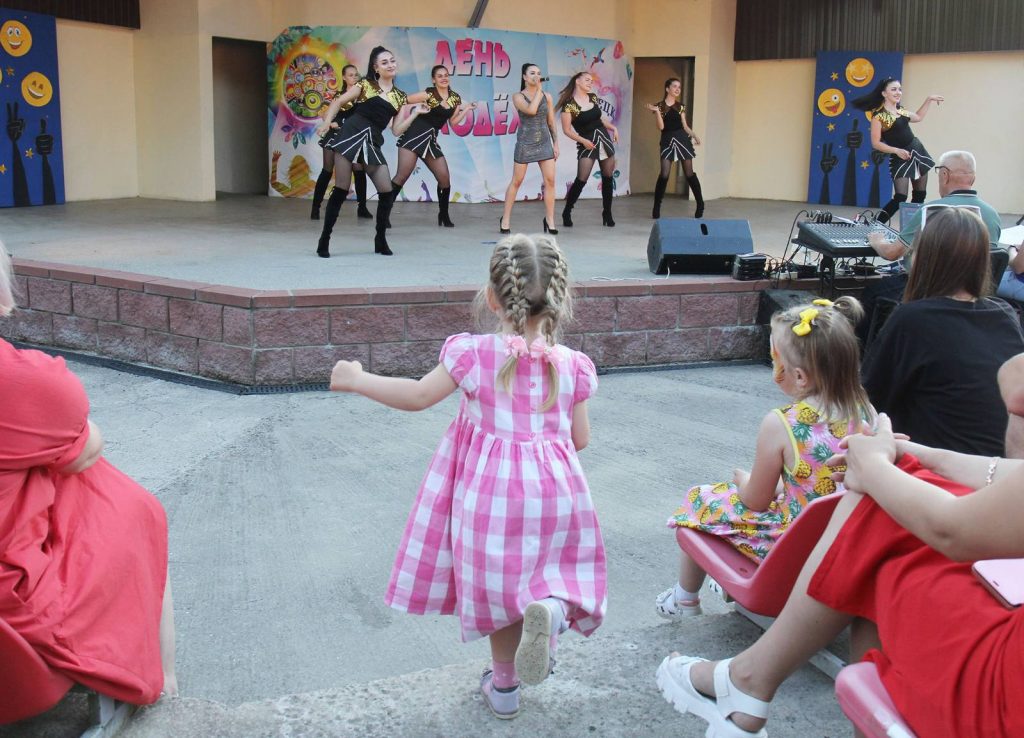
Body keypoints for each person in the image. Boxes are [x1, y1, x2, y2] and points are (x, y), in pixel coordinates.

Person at [329, 234, 605, 720]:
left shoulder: (474, 355)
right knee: (551, 575)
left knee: (502, 590)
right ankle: (555, 614)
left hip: (492, 498)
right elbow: (579, 439)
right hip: (556, 497)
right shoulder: (571, 366)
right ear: (559, 299)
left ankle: (504, 688)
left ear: (493, 298)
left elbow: (418, 396)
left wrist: (357, 379)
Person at [654, 392, 1024, 738]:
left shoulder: (779, 422)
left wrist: (875, 468)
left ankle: (748, 678)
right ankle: (750, 679)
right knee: (896, 491)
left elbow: (953, 530)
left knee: (878, 511)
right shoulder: (861, 409)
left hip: (1005, 694)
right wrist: (918, 457)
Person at [0, 247, 177, 718]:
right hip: (15, 626)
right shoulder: (25, 382)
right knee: (132, 506)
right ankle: (165, 687)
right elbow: (86, 448)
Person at [656, 297, 873, 618]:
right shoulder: (865, 410)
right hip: (846, 543)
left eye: (775, 359)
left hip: (791, 550)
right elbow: (822, 482)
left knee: (701, 499)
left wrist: (744, 480)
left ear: (800, 377)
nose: (774, 366)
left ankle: (684, 599)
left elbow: (754, 501)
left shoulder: (782, 423)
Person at [862, 207, 1024, 457]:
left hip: (936, 470)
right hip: (1000, 469)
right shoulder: (1005, 314)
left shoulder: (911, 319)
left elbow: (869, 402)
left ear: (923, 258)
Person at [861, 150, 1004, 331]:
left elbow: (892, 253)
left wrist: (877, 240)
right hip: (973, 294)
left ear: (944, 175)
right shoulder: (992, 214)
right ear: (973, 179)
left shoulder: (931, 210)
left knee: (871, 293)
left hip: (929, 291)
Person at [314, 46, 428, 257]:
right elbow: (339, 101)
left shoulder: (399, 97)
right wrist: (327, 123)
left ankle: (380, 239)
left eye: (392, 60)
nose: (390, 65)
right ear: (376, 68)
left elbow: (396, 130)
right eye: (384, 62)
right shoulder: (365, 85)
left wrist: (415, 113)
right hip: (350, 136)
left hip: (372, 142)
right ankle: (325, 239)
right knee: (341, 189)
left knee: (386, 191)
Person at [391, 65, 476, 228]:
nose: (444, 78)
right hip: (413, 136)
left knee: (444, 179)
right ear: (433, 80)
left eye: (446, 75)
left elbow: (453, 122)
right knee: (401, 177)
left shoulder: (455, 98)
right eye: (439, 76)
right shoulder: (428, 94)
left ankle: (443, 215)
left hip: (430, 140)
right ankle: (384, 213)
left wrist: (467, 110)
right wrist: (398, 122)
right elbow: (402, 101)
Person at [852, 78, 943, 224]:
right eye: (893, 89)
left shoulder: (901, 110)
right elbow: (876, 143)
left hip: (917, 153)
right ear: (884, 93)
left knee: (919, 195)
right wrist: (896, 151)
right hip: (900, 157)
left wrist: (928, 99)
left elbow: (918, 117)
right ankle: (874, 225)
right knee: (900, 197)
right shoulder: (879, 116)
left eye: (899, 89)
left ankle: (911, 228)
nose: (898, 92)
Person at [499, 64, 560, 235]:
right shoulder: (518, 96)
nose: (536, 76)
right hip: (525, 142)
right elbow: (531, 110)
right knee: (517, 181)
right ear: (524, 77)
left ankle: (550, 220)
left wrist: (556, 143)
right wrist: (539, 89)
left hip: (544, 142)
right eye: (532, 73)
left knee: (550, 181)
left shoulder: (547, 97)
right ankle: (505, 219)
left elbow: (550, 121)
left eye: (539, 73)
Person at [310, 64, 374, 222]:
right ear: (344, 78)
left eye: (356, 75)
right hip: (335, 136)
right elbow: (326, 115)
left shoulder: (362, 96)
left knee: (359, 170)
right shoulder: (339, 96)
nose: (354, 77)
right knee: (327, 170)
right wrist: (331, 123)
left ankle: (362, 207)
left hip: (353, 136)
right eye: (350, 75)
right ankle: (315, 208)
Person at [557, 72, 620, 228]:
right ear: (577, 82)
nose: (590, 83)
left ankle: (607, 213)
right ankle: (567, 211)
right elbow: (567, 130)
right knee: (581, 179)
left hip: (604, 140)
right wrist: (583, 141)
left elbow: (599, 119)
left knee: (608, 177)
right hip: (587, 142)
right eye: (587, 80)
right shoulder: (570, 105)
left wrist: (613, 128)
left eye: (591, 81)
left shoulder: (592, 97)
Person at [645, 78, 704, 219]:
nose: (677, 89)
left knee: (689, 173)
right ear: (667, 89)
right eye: (674, 86)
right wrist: (657, 111)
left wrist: (694, 135)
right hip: (667, 140)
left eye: (679, 87)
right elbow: (661, 127)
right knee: (664, 174)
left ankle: (700, 203)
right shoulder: (659, 106)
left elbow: (685, 126)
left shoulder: (680, 106)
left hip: (682, 139)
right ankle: (656, 206)